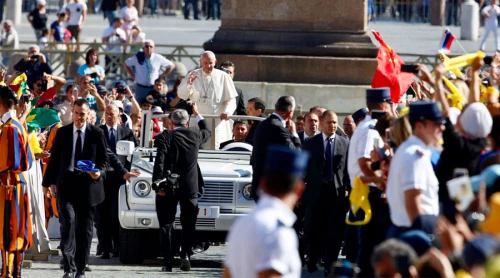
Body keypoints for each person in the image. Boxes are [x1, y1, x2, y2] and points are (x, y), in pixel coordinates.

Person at [43, 99, 109, 278]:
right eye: (77, 113)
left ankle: (80, 268)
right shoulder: (63, 133)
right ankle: (68, 267)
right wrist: (46, 183)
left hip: (88, 186)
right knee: (68, 223)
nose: (80, 117)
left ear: (88, 114)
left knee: (84, 229)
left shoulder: (96, 133)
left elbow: (105, 160)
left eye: (83, 114)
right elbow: (55, 159)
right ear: (72, 112)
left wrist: (98, 172)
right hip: (67, 184)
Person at [224, 145, 309, 278]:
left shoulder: (243, 222)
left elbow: (228, 272)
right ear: (299, 190)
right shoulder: (278, 230)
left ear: (262, 183)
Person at [152, 104, 211, 272]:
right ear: (187, 122)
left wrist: (157, 183)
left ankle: (167, 263)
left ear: (171, 123)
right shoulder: (195, 135)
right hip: (190, 186)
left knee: (166, 224)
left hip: (168, 186)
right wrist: (198, 114)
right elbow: (207, 131)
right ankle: (185, 254)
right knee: (188, 223)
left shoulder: (166, 137)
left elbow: (160, 160)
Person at [347, 87, 393, 277]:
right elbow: (364, 161)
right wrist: (380, 181)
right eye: (389, 103)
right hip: (369, 194)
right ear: (383, 105)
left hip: (366, 192)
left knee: (369, 247)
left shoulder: (368, 126)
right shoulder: (370, 128)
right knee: (370, 249)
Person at [386, 102, 444, 239]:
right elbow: (413, 202)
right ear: (419, 126)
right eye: (436, 124)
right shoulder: (414, 155)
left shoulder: (412, 150)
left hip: (411, 231)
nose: (442, 128)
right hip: (414, 233)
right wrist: (425, 237)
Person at [303, 110, 350, 275]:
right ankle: (313, 259)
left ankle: (330, 264)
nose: (333, 126)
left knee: (335, 231)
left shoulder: (345, 143)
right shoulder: (310, 143)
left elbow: (348, 170)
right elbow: (304, 168)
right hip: (316, 193)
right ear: (322, 124)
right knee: (314, 229)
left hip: (336, 194)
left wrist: (347, 189)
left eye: (335, 123)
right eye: (329, 122)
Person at [0, 86, 33, 277]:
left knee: (9, 229)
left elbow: (12, 161)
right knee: (15, 228)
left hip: (10, 184)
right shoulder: (17, 124)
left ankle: (8, 272)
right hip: (15, 184)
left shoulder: (11, 127)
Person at [97, 103, 138, 259]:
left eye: (112, 113)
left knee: (116, 213)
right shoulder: (98, 131)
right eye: (106, 113)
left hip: (119, 178)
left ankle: (118, 245)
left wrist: (130, 172)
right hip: (101, 177)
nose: (109, 116)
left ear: (119, 115)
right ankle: (105, 248)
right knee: (101, 214)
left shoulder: (127, 133)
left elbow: (135, 154)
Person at [177, 51, 238, 149]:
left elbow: (231, 100)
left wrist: (227, 111)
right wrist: (188, 84)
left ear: (215, 62)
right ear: (200, 62)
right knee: (198, 150)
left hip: (218, 122)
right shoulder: (192, 75)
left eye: (211, 63)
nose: (208, 66)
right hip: (198, 122)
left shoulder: (224, 76)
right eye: (205, 63)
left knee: (218, 149)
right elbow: (182, 95)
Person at [251, 96, 302, 201]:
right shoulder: (277, 127)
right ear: (290, 112)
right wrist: (294, 134)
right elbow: (296, 153)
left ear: (275, 106)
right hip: (270, 189)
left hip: (262, 185)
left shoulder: (264, 123)